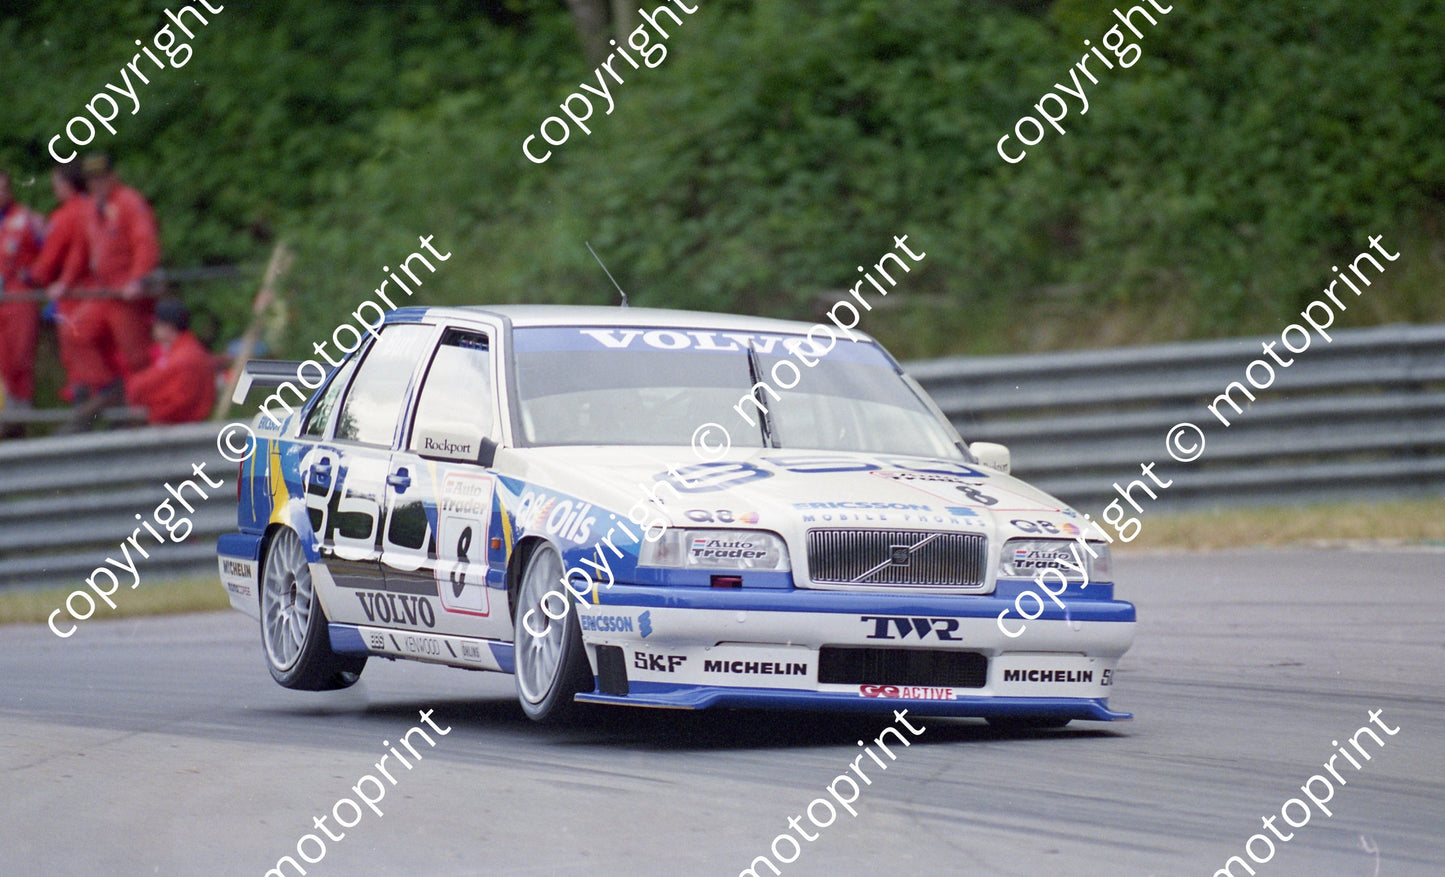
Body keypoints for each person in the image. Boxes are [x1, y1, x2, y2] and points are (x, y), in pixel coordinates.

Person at [28, 163, 95, 419]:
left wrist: (31, 275)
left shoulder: (65, 216)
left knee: (75, 358)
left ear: (67, 186)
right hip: (98, 292)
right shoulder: (94, 208)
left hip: (72, 296)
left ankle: (84, 418)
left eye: (56, 185)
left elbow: (47, 263)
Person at [0, 170, 45, 434]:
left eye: (3, 188)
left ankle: (19, 420)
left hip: (19, 299)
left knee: (19, 359)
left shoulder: (28, 219)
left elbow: (51, 253)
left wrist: (34, 274)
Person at [124, 299, 215, 424]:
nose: (153, 329)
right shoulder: (190, 348)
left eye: (155, 324)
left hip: (183, 429)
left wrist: (152, 412)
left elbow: (139, 388)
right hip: (192, 424)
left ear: (167, 327)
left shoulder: (182, 356)